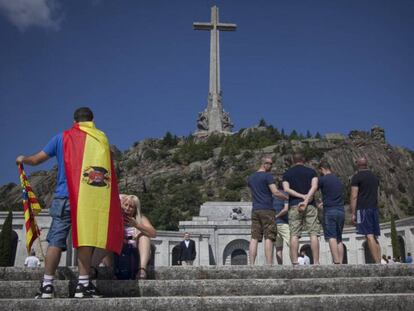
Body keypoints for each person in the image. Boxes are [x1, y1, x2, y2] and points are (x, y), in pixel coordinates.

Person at [16, 107, 124, 299]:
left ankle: (47, 286)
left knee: (55, 241)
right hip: (88, 198)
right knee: (85, 241)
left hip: (64, 197)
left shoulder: (61, 137)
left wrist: (23, 159)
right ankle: (83, 286)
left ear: (75, 121)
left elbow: (36, 159)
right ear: (92, 120)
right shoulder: (101, 139)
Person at [247, 156, 288, 265]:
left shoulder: (250, 177)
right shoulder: (267, 176)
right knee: (269, 237)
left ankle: (251, 264)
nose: (271, 166)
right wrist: (287, 197)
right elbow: (275, 192)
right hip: (267, 209)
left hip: (255, 209)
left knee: (254, 237)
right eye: (269, 163)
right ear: (263, 164)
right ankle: (269, 264)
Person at [283, 153, 320, 265]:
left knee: (294, 234)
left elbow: (286, 189)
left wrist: (300, 197)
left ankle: (295, 262)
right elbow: (314, 187)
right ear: (303, 160)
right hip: (310, 205)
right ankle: (316, 262)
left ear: (293, 161)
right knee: (313, 234)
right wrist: (306, 199)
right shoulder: (312, 172)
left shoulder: (287, 173)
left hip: (294, 205)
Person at [350, 156, 381, 264]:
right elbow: (378, 195)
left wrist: (353, 213)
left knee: (368, 235)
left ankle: (377, 263)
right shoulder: (374, 177)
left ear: (357, 164)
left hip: (363, 209)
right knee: (374, 236)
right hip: (374, 209)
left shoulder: (357, 177)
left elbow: (354, 196)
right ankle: (379, 261)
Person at [118, 194, 157, 279]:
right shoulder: (116, 216)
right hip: (118, 250)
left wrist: (137, 225)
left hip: (135, 250)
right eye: (126, 205)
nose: (127, 208)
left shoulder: (140, 218)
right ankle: (93, 269)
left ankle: (142, 269)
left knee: (144, 236)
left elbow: (153, 234)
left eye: (131, 206)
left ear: (135, 209)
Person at [317, 161, 345, 264]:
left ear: (322, 169)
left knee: (331, 237)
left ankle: (336, 261)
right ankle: (341, 262)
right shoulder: (338, 180)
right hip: (341, 211)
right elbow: (334, 195)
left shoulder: (323, 179)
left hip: (330, 211)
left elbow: (313, 190)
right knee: (339, 238)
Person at [273, 180, 290, 265]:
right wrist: (278, 216)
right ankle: (296, 264)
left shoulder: (273, 195)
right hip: (283, 223)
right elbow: (286, 209)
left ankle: (280, 266)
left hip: (274, 224)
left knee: (278, 248)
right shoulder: (285, 194)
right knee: (292, 244)